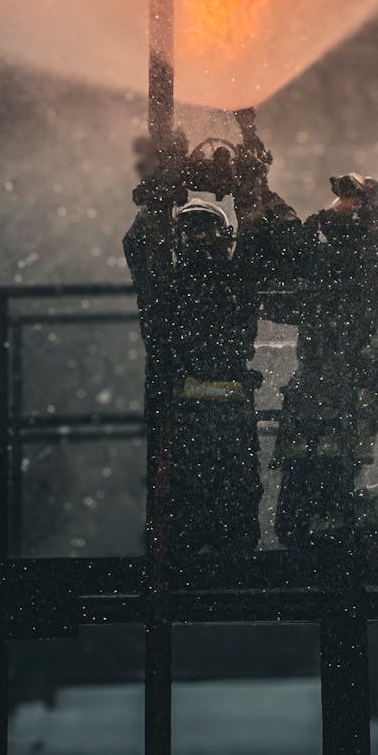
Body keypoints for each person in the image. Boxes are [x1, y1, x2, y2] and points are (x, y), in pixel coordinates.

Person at [124, 189, 267, 557]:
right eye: (193, 230)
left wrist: (158, 199)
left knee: (186, 536)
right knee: (229, 535)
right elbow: (255, 239)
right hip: (223, 430)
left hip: (187, 431)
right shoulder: (236, 285)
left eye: (205, 230)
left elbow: (138, 248)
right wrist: (251, 190)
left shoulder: (166, 291)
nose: (199, 239)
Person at [270, 173, 378, 547]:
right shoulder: (341, 259)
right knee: (296, 516)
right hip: (318, 397)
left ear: (370, 216)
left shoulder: (365, 259)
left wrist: (295, 230)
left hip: (339, 402)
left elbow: (292, 271)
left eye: (350, 203)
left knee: (322, 512)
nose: (336, 209)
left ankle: (372, 523)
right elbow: (283, 295)